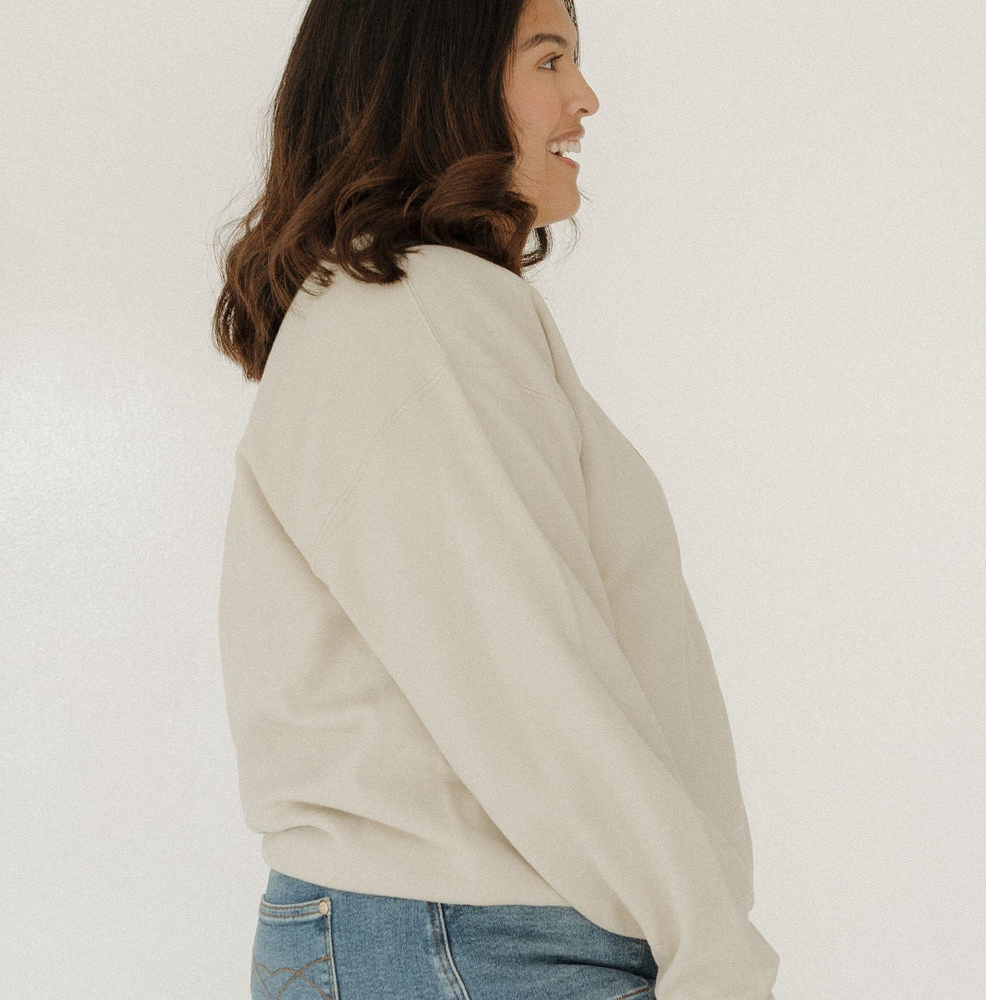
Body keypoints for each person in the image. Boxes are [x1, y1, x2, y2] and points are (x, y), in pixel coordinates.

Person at [212, 0, 781, 997]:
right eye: (548, 59)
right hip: (472, 941)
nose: (584, 97)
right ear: (439, 75)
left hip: (447, 932)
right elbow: (527, 668)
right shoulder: (414, 311)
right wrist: (710, 945)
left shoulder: (401, 306)